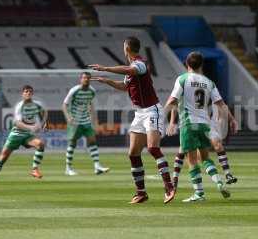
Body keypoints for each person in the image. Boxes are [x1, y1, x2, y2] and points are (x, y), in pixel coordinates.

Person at [88, 36, 175, 204]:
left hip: (152, 111)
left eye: (123, 45)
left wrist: (105, 68)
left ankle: (169, 187)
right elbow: (124, 86)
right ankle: (141, 193)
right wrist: (107, 81)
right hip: (139, 113)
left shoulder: (140, 64)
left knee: (152, 148)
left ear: (127, 47)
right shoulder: (131, 68)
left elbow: (132, 71)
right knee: (133, 153)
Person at [164, 51, 238, 202]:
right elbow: (221, 105)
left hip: (189, 124)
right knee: (205, 157)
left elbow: (172, 100)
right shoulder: (209, 82)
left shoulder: (183, 79)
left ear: (187, 64)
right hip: (204, 124)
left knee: (191, 160)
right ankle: (218, 181)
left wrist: (161, 115)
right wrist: (232, 120)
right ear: (201, 64)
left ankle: (199, 193)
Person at [168, 95, 238, 190]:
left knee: (202, 155)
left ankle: (226, 175)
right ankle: (218, 181)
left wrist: (228, 120)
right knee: (200, 157)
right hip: (194, 125)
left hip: (202, 126)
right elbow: (174, 106)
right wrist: (172, 122)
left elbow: (222, 106)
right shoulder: (189, 92)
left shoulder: (207, 94)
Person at [0, 85, 47, 183]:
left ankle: (34, 169)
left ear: (32, 94)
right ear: (22, 94)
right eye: (26, 91)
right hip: (16, 135)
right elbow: (17, 123)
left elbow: (43, 113)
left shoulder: (37, 104)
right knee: (3, 157)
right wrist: (31, 127)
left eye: (30, 91)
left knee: (40, 144)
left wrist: (44, 123)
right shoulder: (20, 106)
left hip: (27, 135)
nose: (28, 93)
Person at [62, 72, 109, 176]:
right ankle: (68, 168)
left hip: (86, 120)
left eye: (88, 78)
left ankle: (97, 167)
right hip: (75, 121)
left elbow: (90, 105)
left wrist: (95, 120)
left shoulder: (92, 91)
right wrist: (68, 117)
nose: (86, 79)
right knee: (72, 143)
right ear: (80, 79)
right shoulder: (74, 90)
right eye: (84, 78)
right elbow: (64, 104)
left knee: (92, 141)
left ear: (90, 79)